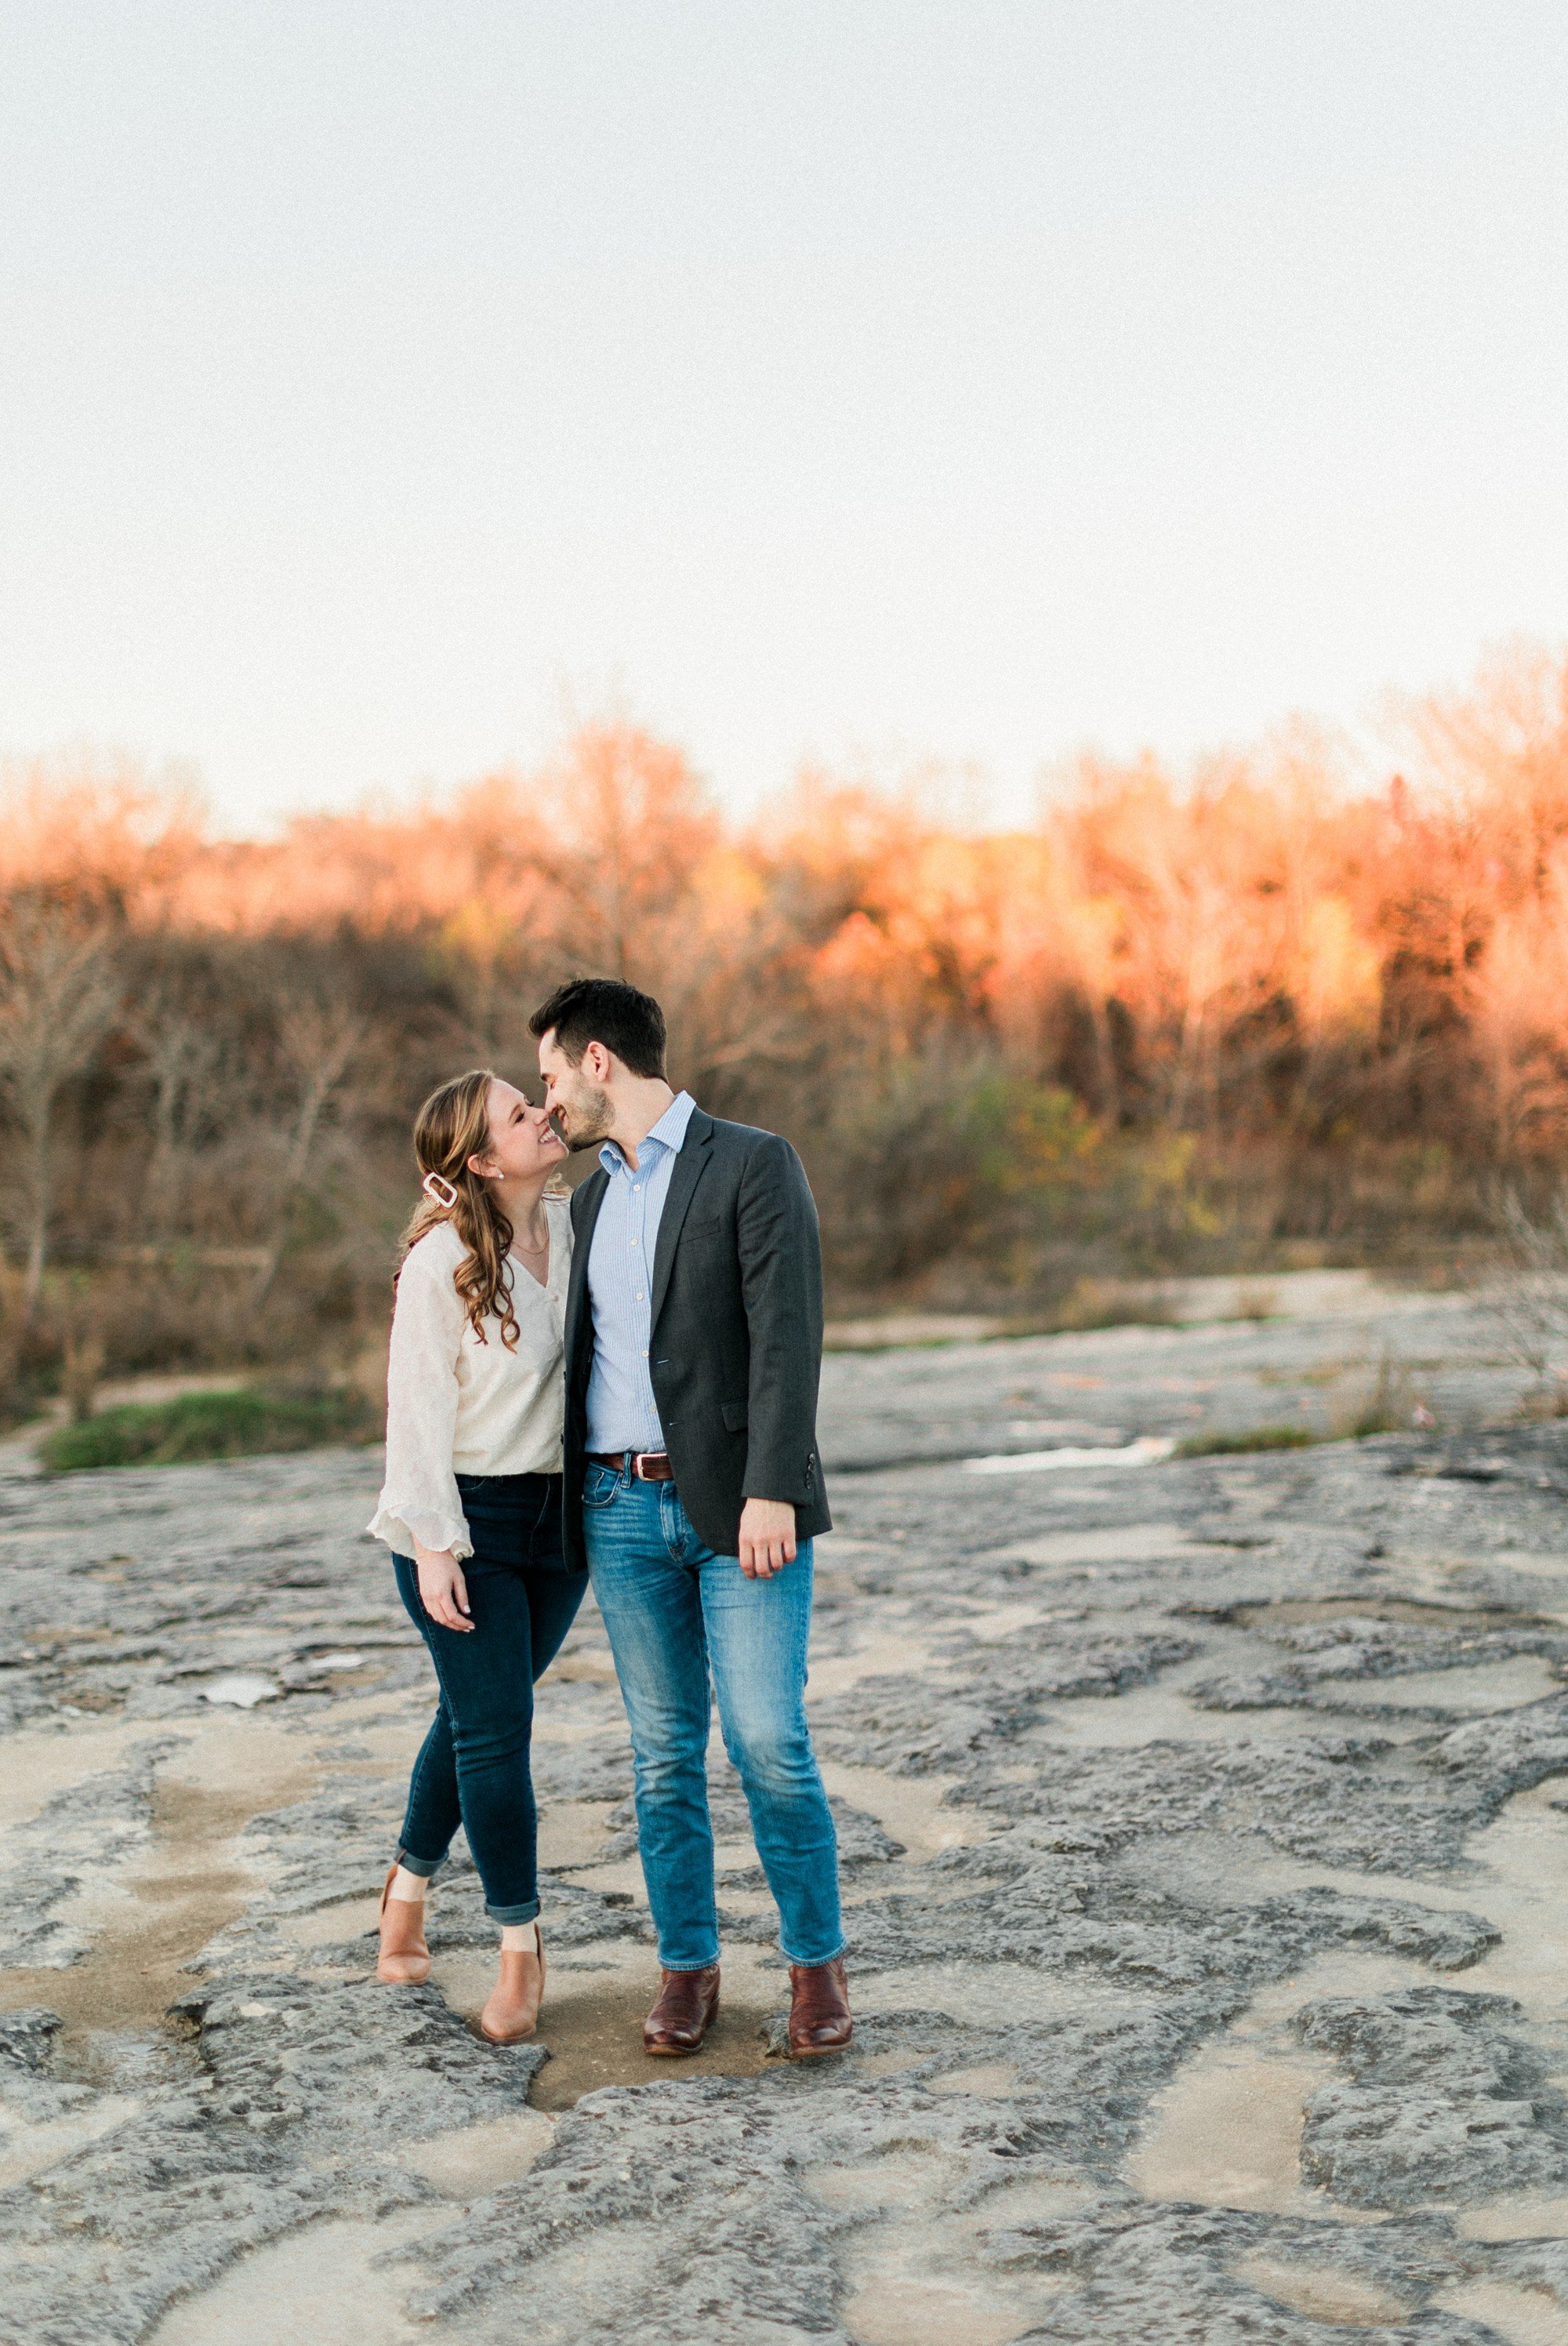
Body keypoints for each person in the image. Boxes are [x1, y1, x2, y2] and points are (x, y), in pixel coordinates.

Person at [530, 975, 851, 2058]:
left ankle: (815, 1969)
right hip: (619, 1507)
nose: (548, 1104)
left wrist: (775, 1484)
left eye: (550, 1076)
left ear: (598, 1062)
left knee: (769, 1743)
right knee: (663, 1754)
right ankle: (688, 1969)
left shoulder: (754, 1162)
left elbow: (789, 1333)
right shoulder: (593, 1197)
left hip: (738, 1508)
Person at [367, 1068, 584, 2044]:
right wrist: (433, 1547)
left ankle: (405, 1884)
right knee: (498, 1732)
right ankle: (518, 1948)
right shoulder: (438, 1262)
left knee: (475, 1714)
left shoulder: (577, 1227)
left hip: (562, 1523)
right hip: (466, 1527)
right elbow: (413, 1417)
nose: (543, 1114)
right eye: (517, 1111)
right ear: (485, 1159)